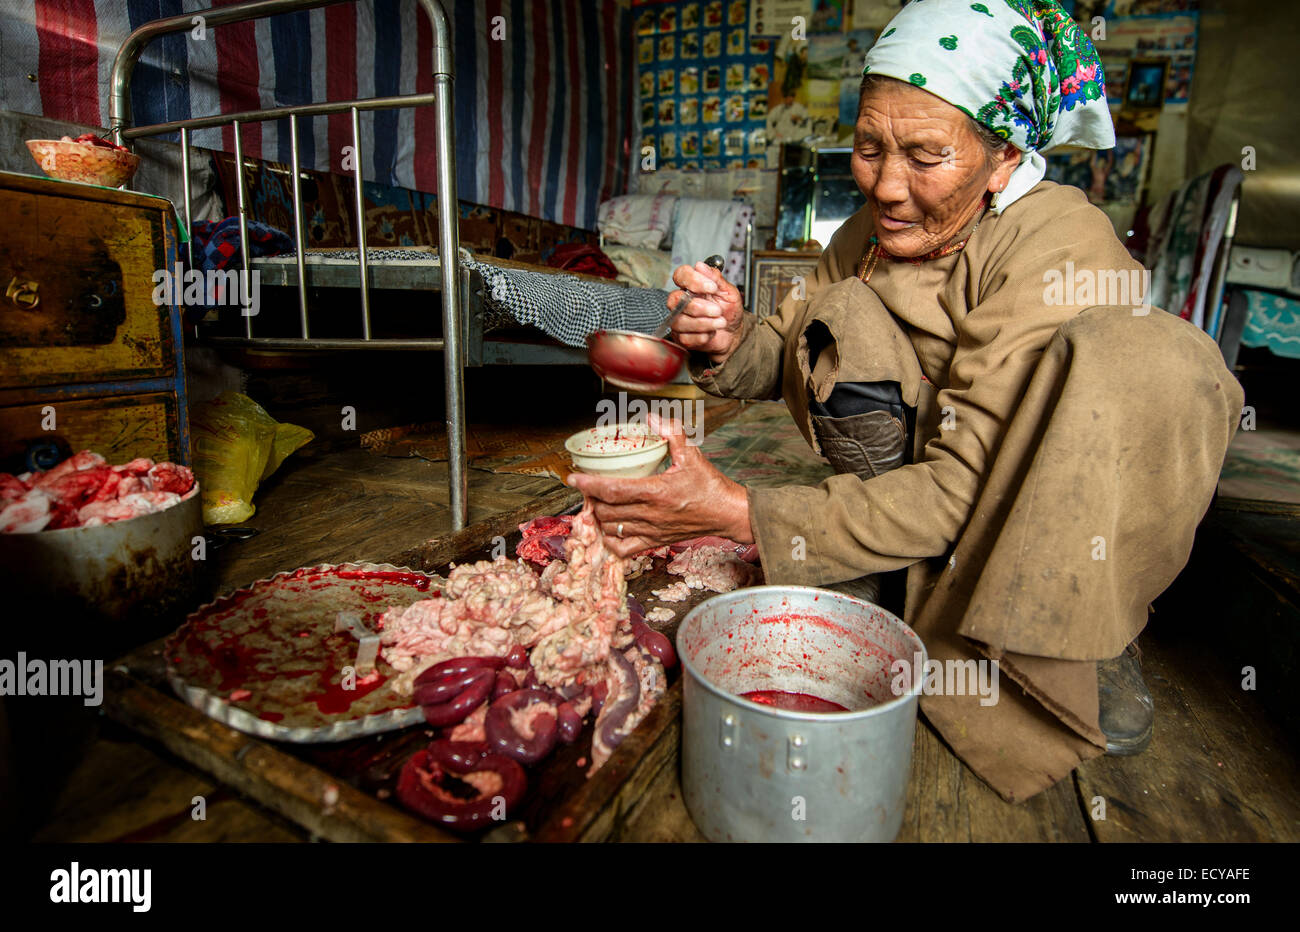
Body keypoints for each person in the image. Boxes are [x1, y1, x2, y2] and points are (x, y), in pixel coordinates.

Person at [569, 0, 1241, 801]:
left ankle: (1086, 629)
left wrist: (741, 514)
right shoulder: (869, 234)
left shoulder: (1058, 247)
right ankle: (893, 560)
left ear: (1003, 156)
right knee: (841, 312)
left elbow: (964, 489)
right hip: (914, 488)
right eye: (868, 148)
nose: (887, 186)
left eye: (925, 155)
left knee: (1149, 357)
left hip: (1020, 507)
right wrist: (729, 334)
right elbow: (780, 354)